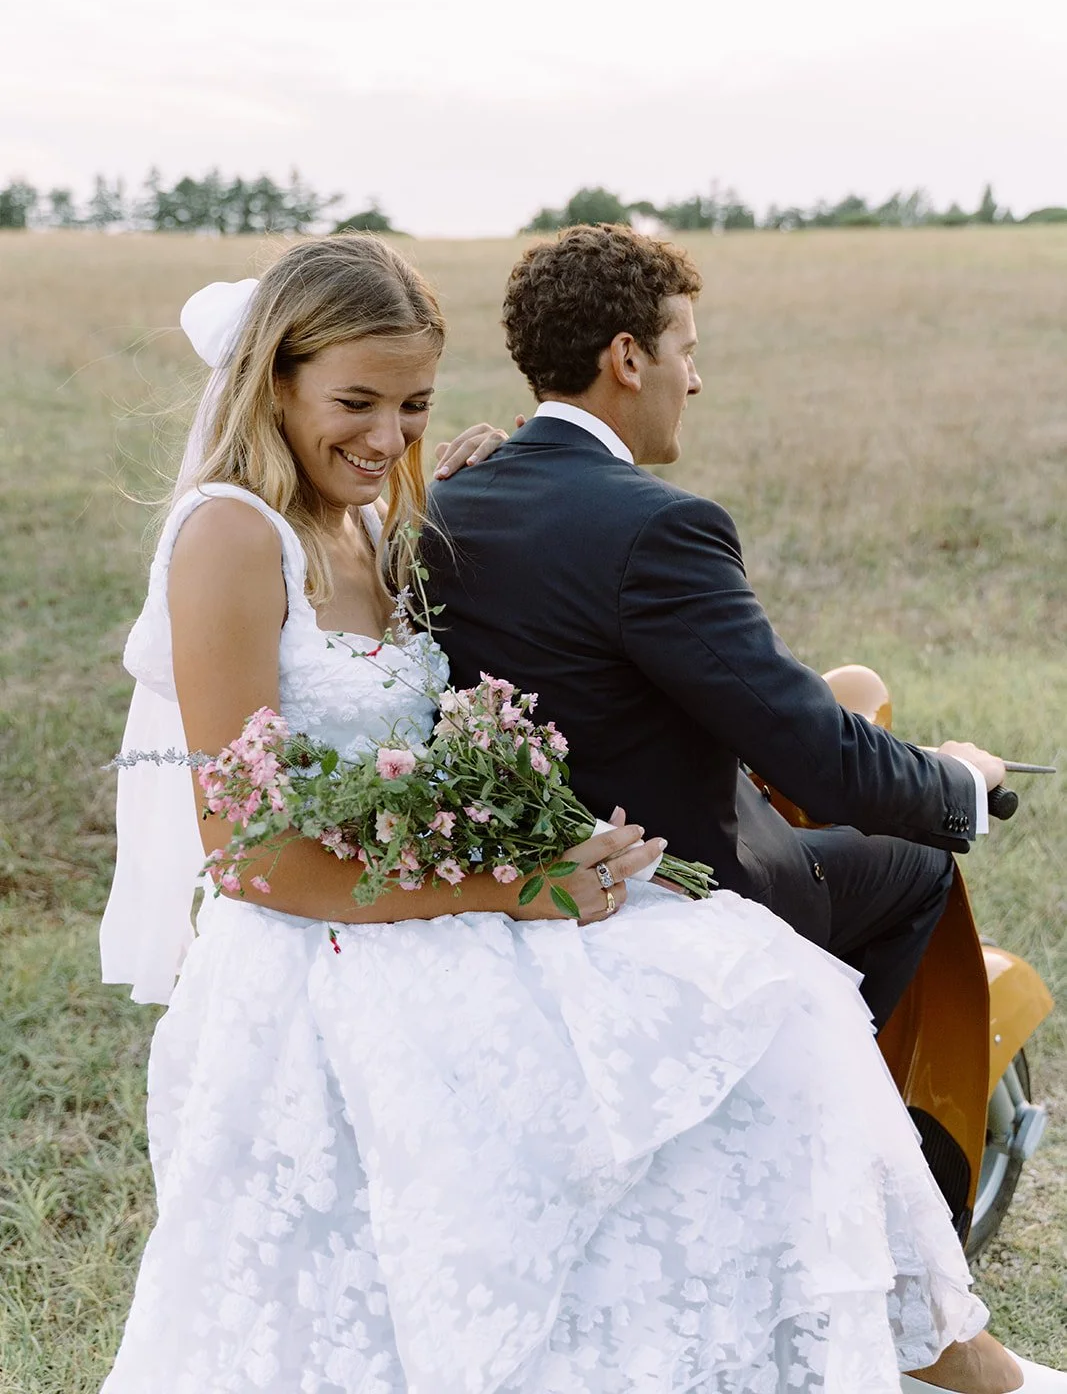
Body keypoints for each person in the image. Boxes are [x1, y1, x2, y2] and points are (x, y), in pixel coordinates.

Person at [98, 234, 1058, 1393]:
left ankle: (846, 1338)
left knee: (761, 989)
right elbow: (248, 854)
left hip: (433, 906)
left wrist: (433, 490)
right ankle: (935, 1354)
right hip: (325, 950)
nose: (385, 436)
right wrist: (511, 884)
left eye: (411, 405)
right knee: (768, 1001)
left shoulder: (373, 521)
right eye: (353, 401)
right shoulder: (229, 536)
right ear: (273, 381)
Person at [424, 223, 1000, 1034]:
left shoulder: (447, 497)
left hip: (523, 879)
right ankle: (829, 1092)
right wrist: (959, 781)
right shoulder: (661, 527)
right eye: (684, 351)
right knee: (916, 865)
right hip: (686, 887)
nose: (693, 380)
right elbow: (819, 760)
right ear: (627, 359)